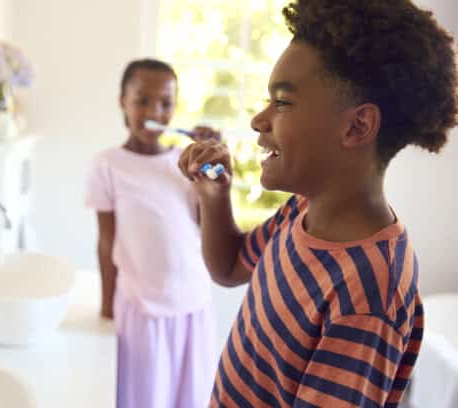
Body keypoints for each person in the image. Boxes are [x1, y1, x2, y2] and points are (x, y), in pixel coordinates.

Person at [177, 0, 457, 406]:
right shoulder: (303, 209)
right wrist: (214, 195)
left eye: (283, 102)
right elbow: (230, 265)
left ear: (357, 126)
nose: (259, 119)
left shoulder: (368, 293)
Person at [84, 58, 221, 408]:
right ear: (122, 102)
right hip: (140, 311)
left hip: (192, 307)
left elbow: (210, 226)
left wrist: (211, 164)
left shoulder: (188, 163)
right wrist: (106, 310)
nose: (154, 112)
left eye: (165, 103)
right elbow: (105, 241)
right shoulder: (107, 165)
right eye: (142, 100)